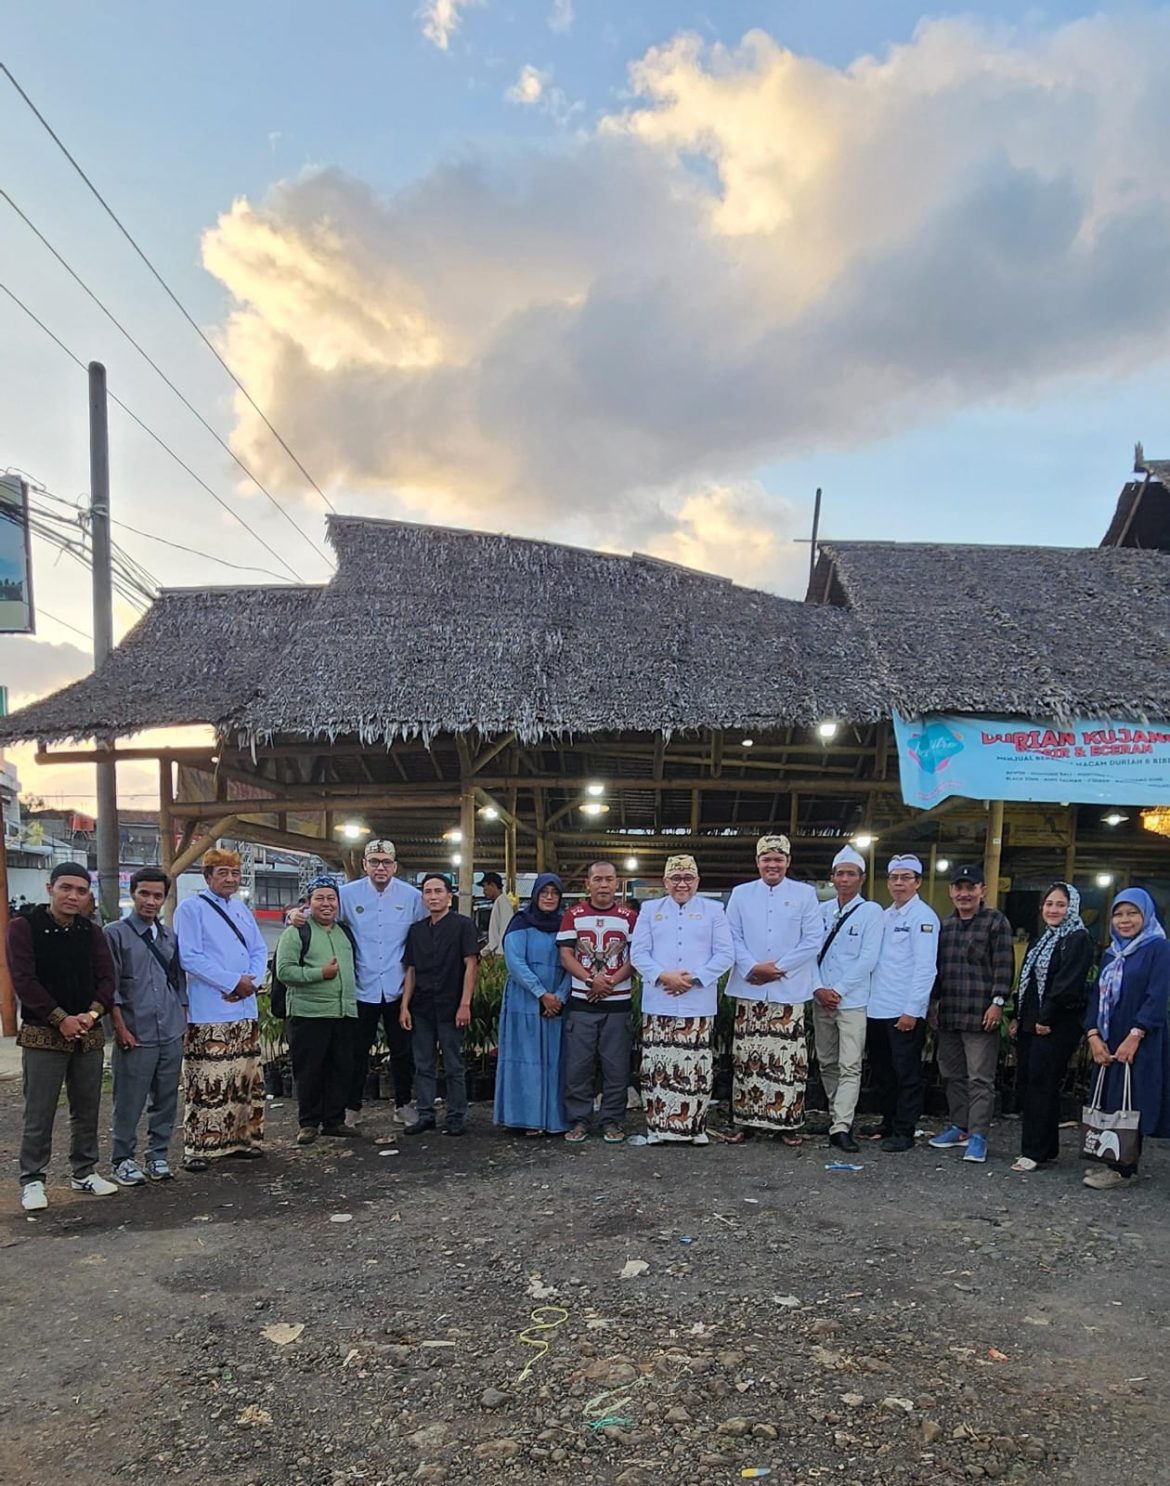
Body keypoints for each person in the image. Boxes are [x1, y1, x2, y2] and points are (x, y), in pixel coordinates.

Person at [10, 862, 118, 1211]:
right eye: (65, 888)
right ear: (49, 888)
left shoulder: (91, 932)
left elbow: (106, 980)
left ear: (89, 896)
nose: (73, 896)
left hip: (88, 1032)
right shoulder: (24, 927)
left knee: (87, 1107)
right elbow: (24, 980)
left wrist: (90, 1014)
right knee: (39, 1111)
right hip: (43, 1033)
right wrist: (60, 1019)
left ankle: (84, 1171)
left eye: (81, 890)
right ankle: (32, 1179)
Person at [174, 848, 268, 1171]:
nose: (230, 879)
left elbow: (258, 949)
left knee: (243, 1079)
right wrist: (231, 982)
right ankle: (199, 1147)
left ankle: (242, 1140)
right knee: (208, 1082)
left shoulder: (242, 909)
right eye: (222, 873)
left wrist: (251, 983)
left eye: (234, 873)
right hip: (210, 1008)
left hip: (245, 1008)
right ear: (207, 876)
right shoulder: (191, 909)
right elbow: (190, 956)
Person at [629, 854, 734, 1146]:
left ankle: (695, 1128)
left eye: (688, 878)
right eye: (676, 878)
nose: (682, 884)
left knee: (696, 1066)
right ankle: (658, 1127)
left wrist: (694, 978)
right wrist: (664, 976)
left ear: (697, 881)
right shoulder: (649, 910)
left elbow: (725, 954)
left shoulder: (714, 911)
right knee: (657, 1066)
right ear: (665, 882)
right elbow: (638, 954)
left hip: (697, 1001)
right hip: (659, 999)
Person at [725, 834, 823, 1143]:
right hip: (750, 985)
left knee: (787, 1061)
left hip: (787, 988)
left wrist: (777, 968)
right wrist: (753, 967)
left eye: (778, 859)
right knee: (746, 1057)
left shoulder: (805, 894)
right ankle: (745, 1120)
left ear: (788, 862)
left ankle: (787, 1123)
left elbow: (813, 939)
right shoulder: (740, 894)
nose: (772, 864)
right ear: (757, 862)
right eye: (766, 858)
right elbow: (731, 936)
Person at [333, 840, 427, 1129]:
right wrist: (295, 916)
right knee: (357, 1051)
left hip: (399, 987)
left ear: (395, 866)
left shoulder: (411, 897)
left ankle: (402, 1104)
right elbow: (322, 915)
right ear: (364, 865)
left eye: (386, 862)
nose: (380, 867)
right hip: (363, 985)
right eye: (374, 861)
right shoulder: (346, 895)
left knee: (402, 1051)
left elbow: (423, 932)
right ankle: (352, 1107)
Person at [1082, 888, 1170, 1191]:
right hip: (1108, 1037)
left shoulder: (1158, 948)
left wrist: (1136, 1034)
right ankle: (1112, 1158)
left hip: (1140, 1037)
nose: (1124, 920)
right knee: (1111, 1097)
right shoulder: (1111, 952)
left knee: (1131, 1100)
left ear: (1146, 916)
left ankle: (1124, 1168)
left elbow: (1157, 996)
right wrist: (1093, 1035)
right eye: (1118, 914)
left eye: (1132, 913)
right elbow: (1096, 996)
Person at [105, 867, 187, 1186]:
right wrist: (120, 1029)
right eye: (145, 894)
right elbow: (109, 988)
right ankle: (122, 1159)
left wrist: (182, 1020)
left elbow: (178, 982)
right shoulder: (115, 934)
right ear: (133, 893)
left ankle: (158, 1155)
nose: (151, 902)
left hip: (169, 1030)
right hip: (135, 1032)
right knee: (129, 1099)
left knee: (166, 1098)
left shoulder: (168, 937)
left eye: (157, 896)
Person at [928, 865, 1014, 1164]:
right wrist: (932, 1003)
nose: (964, 894)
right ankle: (960, 1126)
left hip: (981, 1014)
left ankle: (978, 1135)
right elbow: (937, 969)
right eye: (958, 888)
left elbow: (1004, 965)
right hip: (950, 1013)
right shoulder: (946, 926)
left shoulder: (995, 922)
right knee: (952, 1075)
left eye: (970, 887)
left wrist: (998, 1002)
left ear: (982, 890)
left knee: (980, 1078)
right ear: (951, 891)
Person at [1009, 882, 1093, 1173]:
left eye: (1060, 904)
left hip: (1055, 1025)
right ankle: (1046, 1147)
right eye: (1049, 904)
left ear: (1072, 907)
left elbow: (1067, 984)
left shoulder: (1077, 938)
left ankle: (1033, 1151)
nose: (1054, 910)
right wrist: (1018, 1016)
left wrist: (1045, 1019)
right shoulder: (1043, 939)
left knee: (1041, 1086)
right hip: (1033, 1023)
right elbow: (1027, 981)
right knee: (1032, 1083)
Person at [558, 860, 638, 1143]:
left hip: (617, 1004)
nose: (603, 885)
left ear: (617, 883)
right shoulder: (573, 915)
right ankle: (579, 1120)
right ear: (587, 883)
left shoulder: (629, 917)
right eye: (598, 879)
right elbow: (566, 955)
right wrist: (593, 980)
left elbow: (635, 957)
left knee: (616, 1068)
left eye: (609, 879)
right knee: (578, 1067)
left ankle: (612, 1121)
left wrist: (610, 982)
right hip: (583, 1003)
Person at [275, 876, 360, 1146]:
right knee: (310, 1070)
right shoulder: (296, 931)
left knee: (340, 1068)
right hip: (308, 1014)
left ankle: (334, 1121)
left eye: (331, 898)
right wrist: (319, 973)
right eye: (319, 898)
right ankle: (308, 1123)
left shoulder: (344, 931)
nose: (326, 904)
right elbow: (284, 971)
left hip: (343, 1012)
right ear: (309, 902)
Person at [864, 854, 940, 1153]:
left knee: (907, 1073)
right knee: (884, 1071)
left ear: (917, 882)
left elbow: (926, 968)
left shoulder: (923, 917)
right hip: (878, 1007)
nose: (899, 883)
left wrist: (913, 1010)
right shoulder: (885, 915)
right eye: (894, 877)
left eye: (906, 877)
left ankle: (905, 1130)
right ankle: (888, 1121)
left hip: (903, 1010)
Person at [812, 845, 884, 1153]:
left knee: (850, 1064)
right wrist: (818, 988)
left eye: (850, 874)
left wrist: (837, 990)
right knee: (826, 1061)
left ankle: (842, 1126)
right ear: (832, 877)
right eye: (839, 873)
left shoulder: (871, 913)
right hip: (820, 998)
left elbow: (868, 959)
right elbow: (809, 954)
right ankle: (835, 1115)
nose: (844, 879)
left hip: (851, 1000)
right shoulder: (822, 911)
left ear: (861, 878)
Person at [400, 874, 479, 1137]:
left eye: (438, 891)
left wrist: (465, 1004)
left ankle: (456, 1116)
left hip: (451, 1005)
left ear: (449, 896)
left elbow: (471, 965)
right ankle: (425, 1114)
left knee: (454, 1065)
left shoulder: (463, 925)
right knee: (423, 1064)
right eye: (427, 892)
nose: (432, 896)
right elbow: (410, 970)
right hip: (421, 1006)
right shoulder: (416, 930)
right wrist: (404, 1006)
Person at [493, 873, 570, 1135]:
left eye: (554, 893)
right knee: (524, 1060)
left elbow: (573, 964)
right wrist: (541, 993)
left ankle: (551, 1119)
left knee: (553, 1059)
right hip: (524, 1001)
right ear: (535, 895)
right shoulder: (520, 923)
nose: (549, 897)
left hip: (555, 1005)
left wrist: (559, 995)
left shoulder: (565, 926)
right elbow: (515, 963)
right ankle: (524, 1119)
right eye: (544, 892)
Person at [482, 872, 516, 956]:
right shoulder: (499, 901)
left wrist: (500, 952)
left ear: (493, 885)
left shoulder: (503, 901)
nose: (484, 892)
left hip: (501, 952)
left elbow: (505, 928)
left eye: (485, 888)